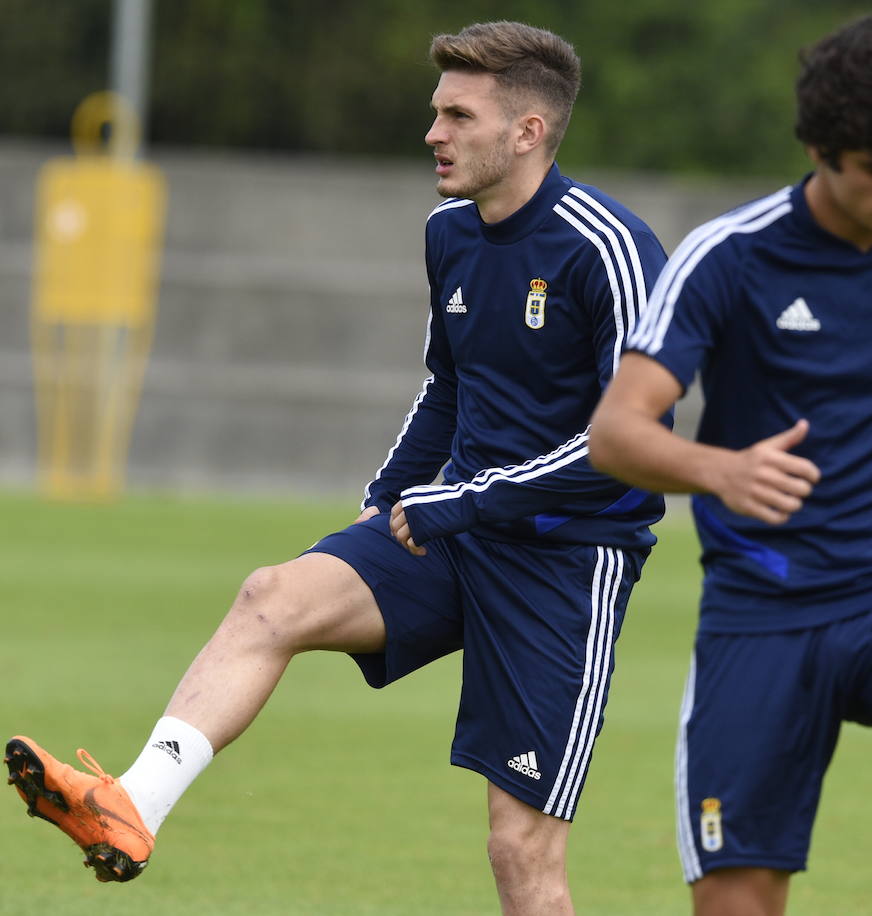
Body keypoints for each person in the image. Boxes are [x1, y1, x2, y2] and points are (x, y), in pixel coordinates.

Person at [7, 21, 667, 914]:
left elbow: (631, 443)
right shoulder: (449, 235)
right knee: (271, 597)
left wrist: (462, 501)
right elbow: (446, 389)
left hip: (565, 561)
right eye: (436, 112)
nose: (432, 133)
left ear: (527, 132)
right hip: (447, 530)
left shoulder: (608, 248)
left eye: (457, 115)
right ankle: (131, 804)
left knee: (519, 855)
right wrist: (384, 502)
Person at [588, 15, 872, 916]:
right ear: (823, 150)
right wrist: (719, 470)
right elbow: (617, 432)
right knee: (740, 899)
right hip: (763, 607)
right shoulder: (730, 255)